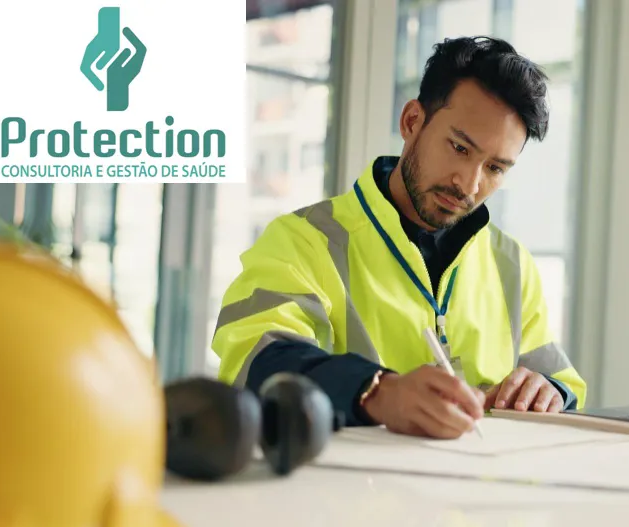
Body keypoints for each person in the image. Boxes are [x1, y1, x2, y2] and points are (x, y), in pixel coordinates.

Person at [211, 36, 586, 439]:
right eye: (459, 147)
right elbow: (255, 358)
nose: (469, 184)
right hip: (341, 497)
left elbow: (562, 381)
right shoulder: (303, 241)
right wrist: (375, 392)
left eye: (495, 168)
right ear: (411, 122)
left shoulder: (511, 264)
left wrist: (551, 391)